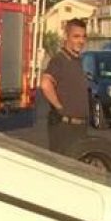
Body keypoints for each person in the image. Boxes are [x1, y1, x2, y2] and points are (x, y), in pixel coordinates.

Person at [40, 18, 89, 153]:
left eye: (83, 37)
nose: (81, 41)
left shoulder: (76, 61)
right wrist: (59, 107)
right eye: (76, 36)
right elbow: (45, 84)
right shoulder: (59, 60)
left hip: (79, 128)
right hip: (65, 127)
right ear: (66, 37)